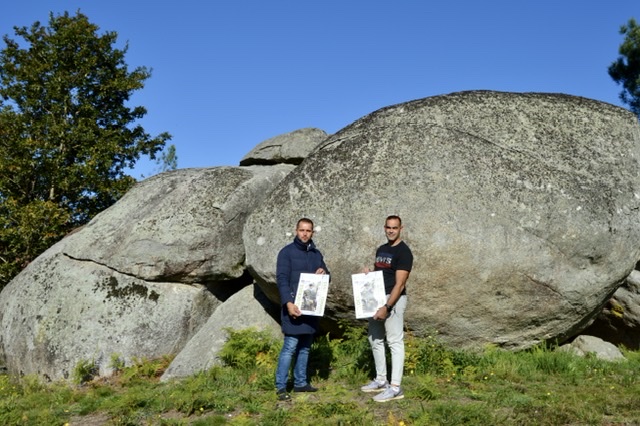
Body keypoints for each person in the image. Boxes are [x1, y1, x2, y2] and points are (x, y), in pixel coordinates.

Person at [275, 218, 329, 401]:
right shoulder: (286, 253)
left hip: (311, 308)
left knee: (305, 347)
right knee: (290, 347)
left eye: (308, 231)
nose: (305, 234)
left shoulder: (316, 254)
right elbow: (281, 280)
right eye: (302, 230)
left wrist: (324, 272)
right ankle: (281, 386)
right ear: (296, 231)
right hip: (294, 307)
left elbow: (326, 276)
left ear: (312, 233)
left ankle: (300, 383)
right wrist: (288, 303)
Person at [360, 215, 413, 402]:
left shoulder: (404, 252)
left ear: (401, 228)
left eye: (395, 228)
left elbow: (399, 284)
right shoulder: (381, 249)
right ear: (384, 228)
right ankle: (381, 379)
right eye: (388, 227)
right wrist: (369, 275)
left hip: (393, 300)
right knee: (375, 338)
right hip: (377, 299)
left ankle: (396, 387)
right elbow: (380, 275)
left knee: (394, 342)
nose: (391, 230)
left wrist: (387, 306)